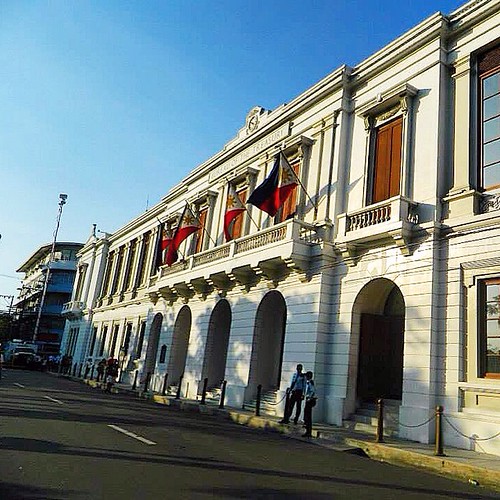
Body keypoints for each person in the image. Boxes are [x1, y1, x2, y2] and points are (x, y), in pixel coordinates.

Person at [302, 371, 317, 438]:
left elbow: (312, 391)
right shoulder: (308, 382)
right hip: (309, 399)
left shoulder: (310, 383)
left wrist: (309, 398)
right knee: (307, 415)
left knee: (308, 416)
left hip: (310, 400)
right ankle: (307, 430)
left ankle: (308, 431)